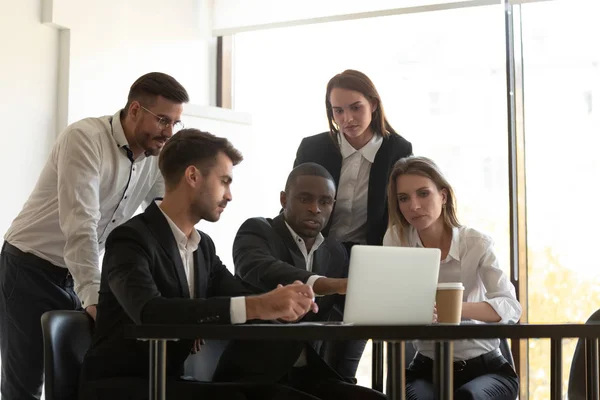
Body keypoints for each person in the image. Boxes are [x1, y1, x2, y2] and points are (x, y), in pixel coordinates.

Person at [79, 129, 323, 400]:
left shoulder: (203, 246)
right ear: (193, 176)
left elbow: (235, 294)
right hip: (119, 387)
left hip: (171, 382)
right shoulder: (129, 239)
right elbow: (150, 312)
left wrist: (280, 303)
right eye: (224, 181)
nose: (229, 195)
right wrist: (261, 305)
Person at [0, 72, 188, 400]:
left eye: (175, 123)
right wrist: (94, 296)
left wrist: (179, 299)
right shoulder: (85, 139)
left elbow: (162, 223)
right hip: (29, 268)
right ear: (134, 110)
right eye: (162, 121)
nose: (169, 132)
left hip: (81, 272)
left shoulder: (155, 157)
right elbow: (81, 223)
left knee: (77, 382)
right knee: (26, 386)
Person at [225, 162, 385, 400]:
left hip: (311, 374)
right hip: (256, 376)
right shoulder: (257, 231)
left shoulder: (335, 252)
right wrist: (329, 284)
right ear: (283, 199)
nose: (315, 209)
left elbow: (349, 310)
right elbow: (261, 269)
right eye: (304, 199)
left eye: (325, 201)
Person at [293, 69, 412, 379]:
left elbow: (399, 214)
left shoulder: (398, 149)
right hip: (319, 255)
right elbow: (296, 205)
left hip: (367, 259)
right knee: (305, 352)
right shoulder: (313, 147)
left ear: (373, 104)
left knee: (345, 358)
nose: (346, 118)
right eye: (338, 110)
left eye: (355, 107)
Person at [383, 156, 521, 400]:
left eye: (423, 194)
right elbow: (391, 304)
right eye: (403, 198)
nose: (413, 206)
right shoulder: (397, 240)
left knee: (468, 398)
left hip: (486, 370)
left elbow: (511, 307)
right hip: (426, 369)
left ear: (443, 196)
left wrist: (453, 309)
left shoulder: (475, 243)